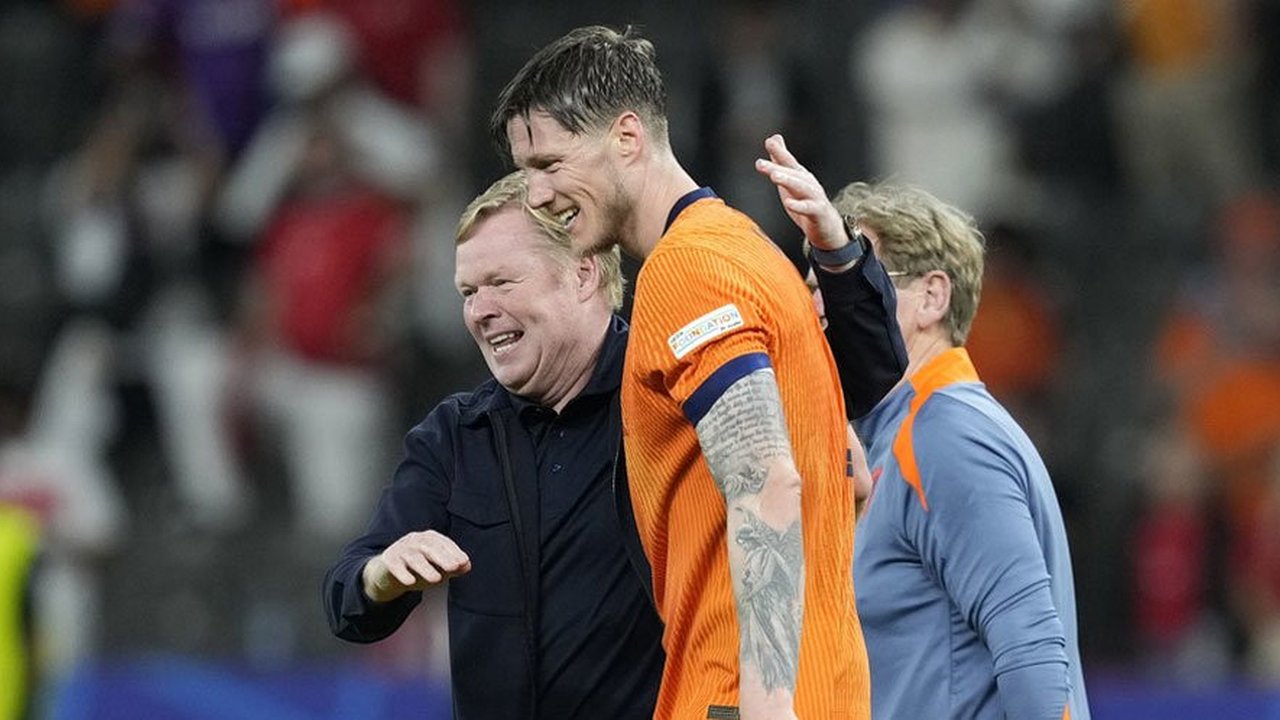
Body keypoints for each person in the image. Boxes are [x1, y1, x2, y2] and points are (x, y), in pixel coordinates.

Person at [493, 26, 873, 720]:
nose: (537, 195)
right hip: (825, 688)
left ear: (628, 137)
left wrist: (762, 701)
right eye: (526, 173)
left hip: (737, 699)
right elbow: (852, 471)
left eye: (549, 163)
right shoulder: (751, 252)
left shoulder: (685, 271)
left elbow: (764, 476)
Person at [758, 149, 1089, 718]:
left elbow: (1030, 645)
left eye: (850, 282)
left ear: (932, 297)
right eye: (817, 285)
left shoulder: (947, 436)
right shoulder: (895, 435)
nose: (818, 306)